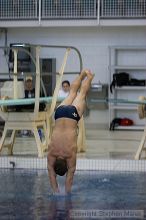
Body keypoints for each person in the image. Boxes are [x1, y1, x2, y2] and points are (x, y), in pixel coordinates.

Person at [47, 69, 94, 194]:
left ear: (66, 164)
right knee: (72, 93)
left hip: (72, 116)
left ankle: (89, 77)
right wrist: (56, 190)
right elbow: (51, 173)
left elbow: (70, 177)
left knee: (82, 93)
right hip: (59, 113)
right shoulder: (51, 153)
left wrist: (64, 194)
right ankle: (83, 73)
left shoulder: (70, 155)